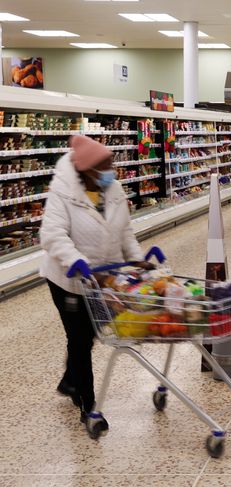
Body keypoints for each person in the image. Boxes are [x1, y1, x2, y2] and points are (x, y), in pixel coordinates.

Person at [40, 135, 148, 425]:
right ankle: (87, 404)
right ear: (86, 169)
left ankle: (69, 381)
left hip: (103, 278)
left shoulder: (113, 188)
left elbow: (125, 231)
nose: (112, 171)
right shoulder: (63, 192)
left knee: (90, 334)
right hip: (68, 279)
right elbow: (52, 235)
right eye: (105, 166)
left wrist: (137, 259)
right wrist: (78, 262)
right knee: (79, 338)